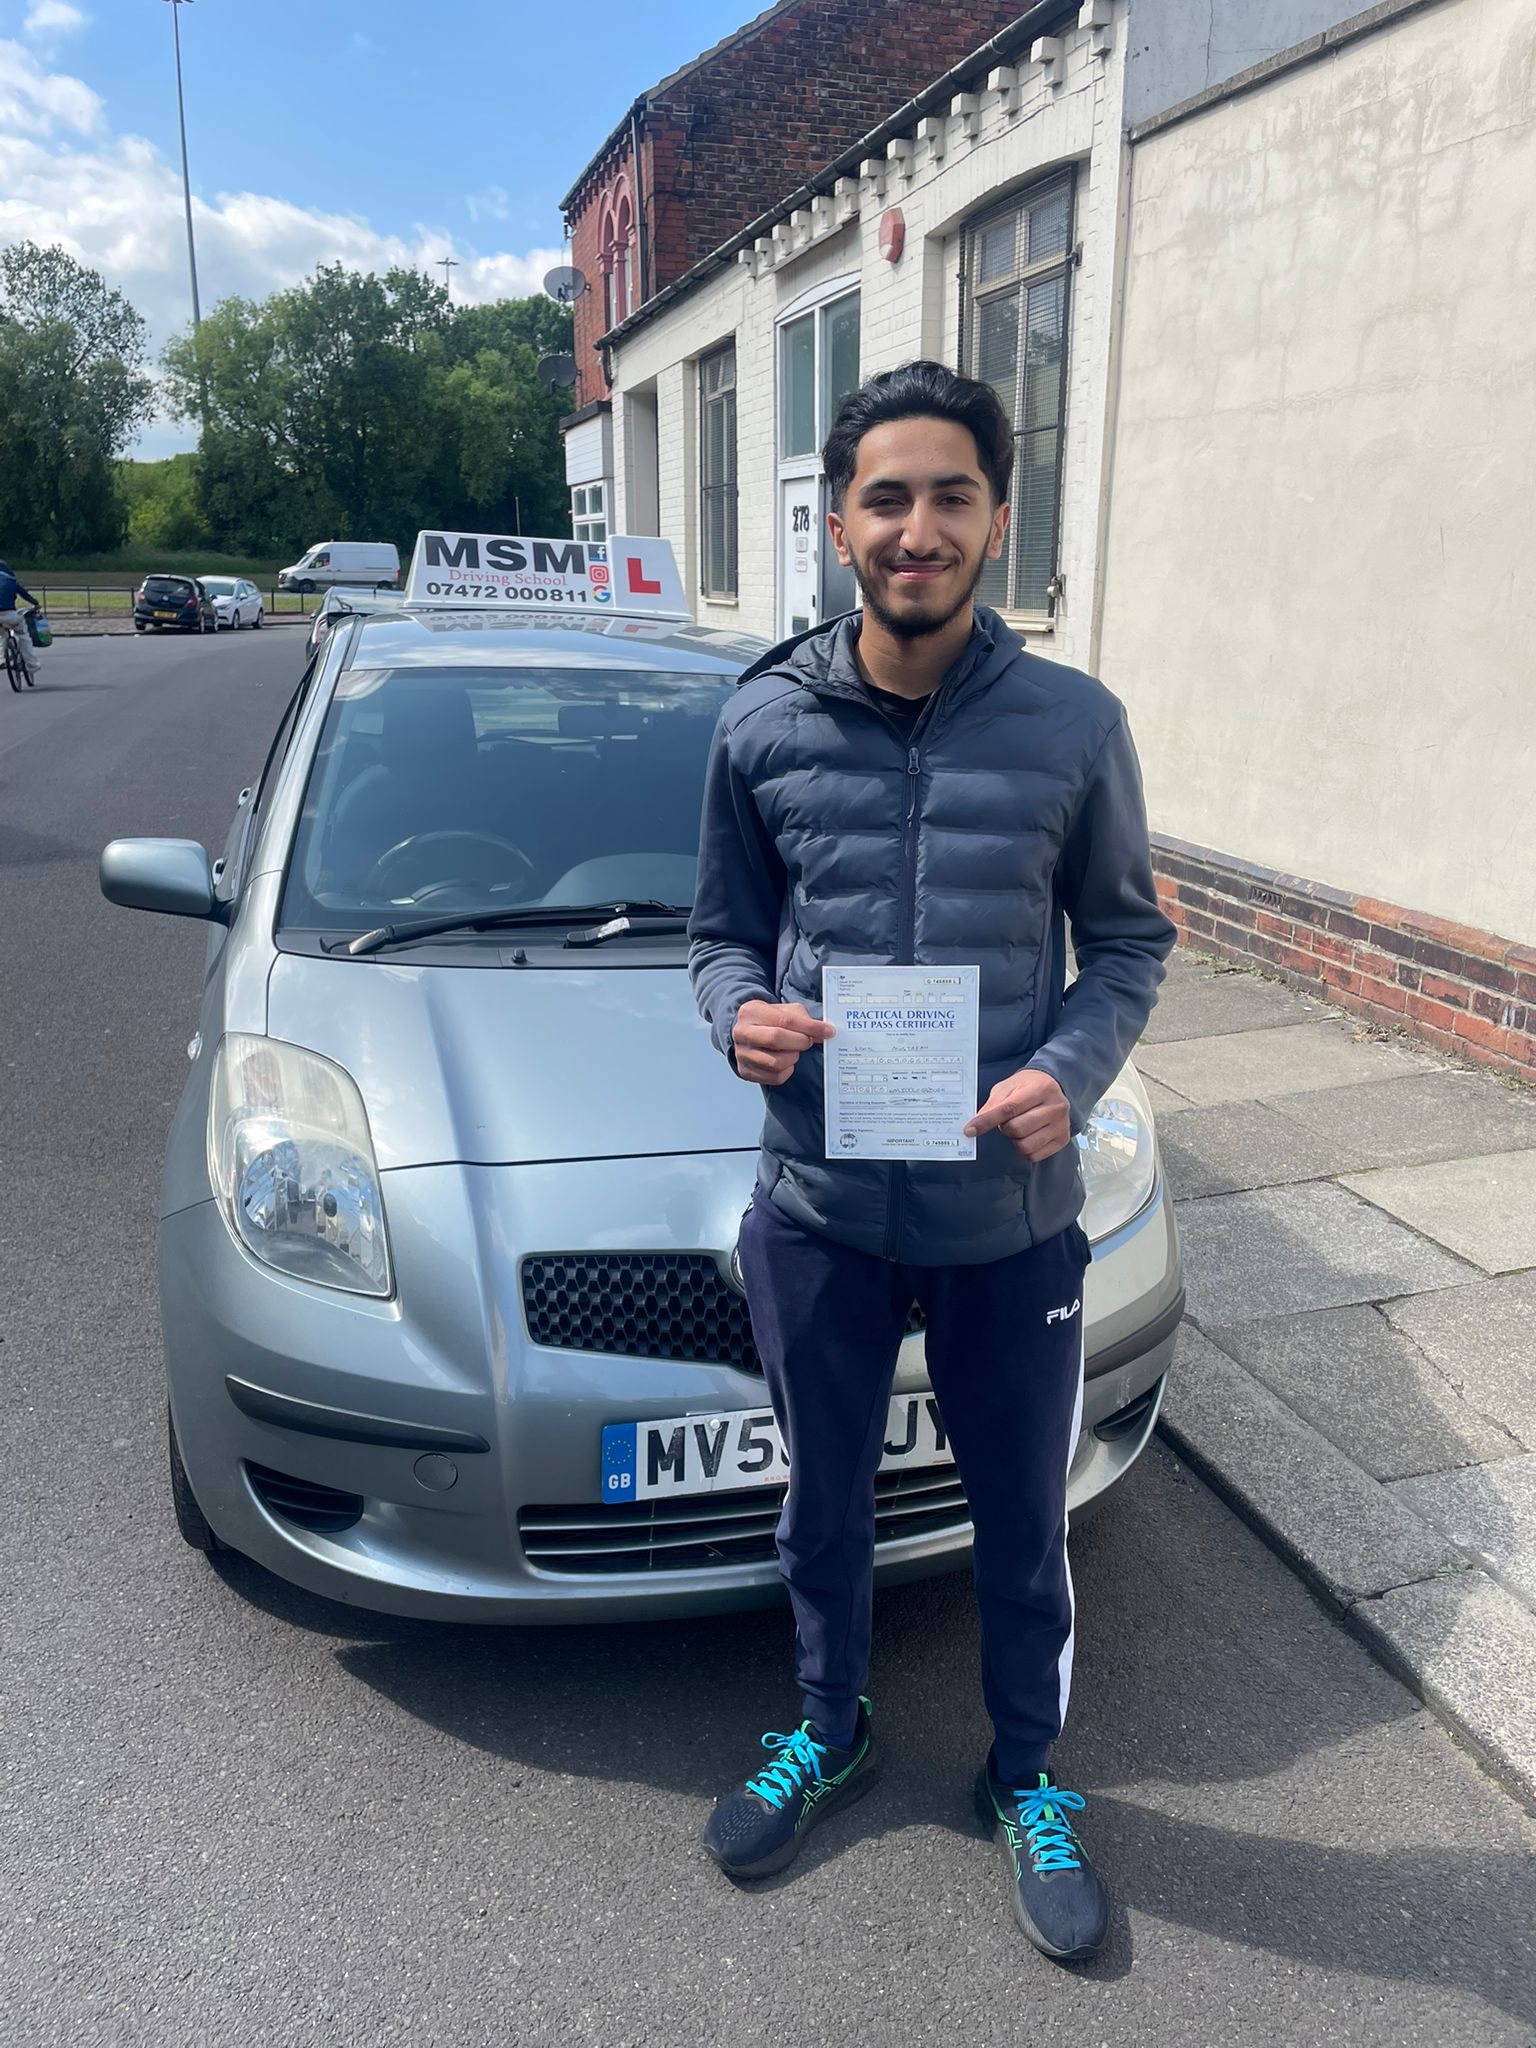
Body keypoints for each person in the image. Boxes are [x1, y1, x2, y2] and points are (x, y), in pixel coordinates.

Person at [687, 361, 1176, 1963]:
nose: (918, 528)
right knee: (821, 1504)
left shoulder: (1075, 726)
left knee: (1024, 1525)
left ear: (996, 518)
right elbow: (718, 935)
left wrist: (1067, 1075)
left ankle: (1026, 1776)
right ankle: (829, 1729)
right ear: (839, 524)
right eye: (885, 498)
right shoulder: (759, 719)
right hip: (820, 1211)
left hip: (1007, 1223)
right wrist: (740, 1014)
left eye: (950, 496)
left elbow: (1126, 944)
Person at [0, 559, 41, 683]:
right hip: (10, 615)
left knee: (1, 635)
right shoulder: (11, 581)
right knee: (23, 635)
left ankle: (1, 659)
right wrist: (36, 604)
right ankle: (32, 664)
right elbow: (25, 595)